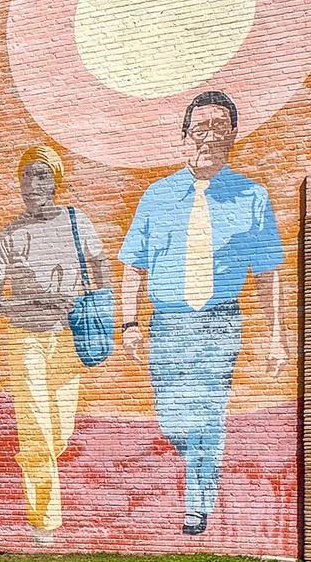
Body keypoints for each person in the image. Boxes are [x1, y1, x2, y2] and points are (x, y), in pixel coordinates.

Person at [119, 90, 288, 536]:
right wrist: (130, 323)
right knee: (173, 416)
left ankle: (199, 502)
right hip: (168, 324)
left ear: (233, 136)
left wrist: (276, 335)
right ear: (184, 137)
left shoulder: (252, 196)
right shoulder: (156, 197)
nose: (208, 137)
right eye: (200, 128)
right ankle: (191, 457)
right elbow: (134, 265)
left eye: (219, 128)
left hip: (219, 321)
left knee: (209, 412)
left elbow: (268, 272)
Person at [0, 145, 108, 544]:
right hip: (25, 341)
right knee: (36, 428)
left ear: (56, 180)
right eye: (26, 176)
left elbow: (101, 269)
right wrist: (39, 299)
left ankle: (37, 465)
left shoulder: (77, 222)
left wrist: (97, 306)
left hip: (67, 340)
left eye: (41, 175)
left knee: (59, 431)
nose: (33, 184)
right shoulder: (9, 235)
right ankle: (44, 521)